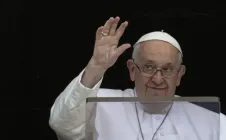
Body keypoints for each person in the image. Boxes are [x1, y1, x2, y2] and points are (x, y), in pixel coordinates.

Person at [49, 17, 226, 140]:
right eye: (148, 67)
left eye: (168, 69)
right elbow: (63, 126)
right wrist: (95, 66)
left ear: (179, 75)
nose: (158, 79)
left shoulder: (213, 121)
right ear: (133, 70)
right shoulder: (98, 104)